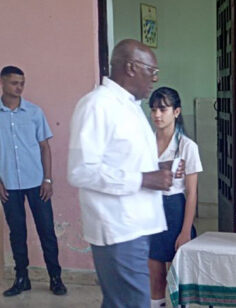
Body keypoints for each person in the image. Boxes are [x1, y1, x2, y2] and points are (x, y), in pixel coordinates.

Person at [67, 39, 182, 308]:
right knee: (133, 303)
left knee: (121, 302)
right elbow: (80, 170)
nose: (154, 79)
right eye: (151, 71)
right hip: (117, 227)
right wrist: (144, 179)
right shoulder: (98, 105)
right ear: (131, 67)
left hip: (135, 226)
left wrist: (157, 171)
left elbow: (123, 160)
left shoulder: (130, 106)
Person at [0, 65, 67, 296]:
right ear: (2, 83)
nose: (19, 87)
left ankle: (55, 278)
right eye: (14, 83)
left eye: (22, 83)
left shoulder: (34, 112)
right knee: (16, 232)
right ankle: (22, 278)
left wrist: (48, 179)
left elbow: (45, 148)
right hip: (8, 185)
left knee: (46, 230)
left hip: (37, 183)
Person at [148, 87, 202, 308]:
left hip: (175, 211)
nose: (157, 115)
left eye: (163, 109)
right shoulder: (145, 143)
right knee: (155, 274)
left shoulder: (187, 147)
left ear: (177, 111)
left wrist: (185, 230)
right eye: (153, 109)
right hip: (150, 210)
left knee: (179, 278)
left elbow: (192, 193)